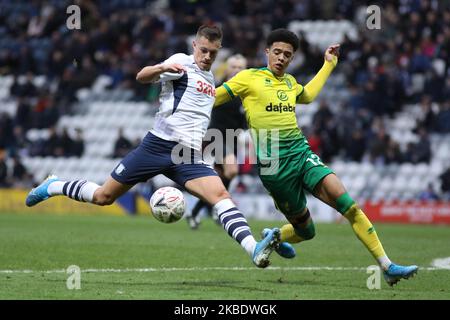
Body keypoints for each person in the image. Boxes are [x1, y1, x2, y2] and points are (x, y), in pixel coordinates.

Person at [25, 25, 284, 269]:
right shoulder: (182, 62)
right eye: (203, 50)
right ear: (195, 45)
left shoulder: (209, 79)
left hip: (187, 155)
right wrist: (160, 70)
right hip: (157, 146)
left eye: (213, 53)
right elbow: (141, 76)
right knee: (104, 196)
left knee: (221, 196)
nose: (206, 56)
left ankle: (253, 249)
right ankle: (54, 185)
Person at [214, 28, 418, 286]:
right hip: (274, 167)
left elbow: (307, 96)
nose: (281, 58)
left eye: (287, 54)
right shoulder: (248, 78)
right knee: (306, 231)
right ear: (267, 52)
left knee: (350, 207)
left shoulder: (289, 82)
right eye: (276, 52)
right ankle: (275, 236)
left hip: (301, 153)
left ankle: (387, 266)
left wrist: (328, 65)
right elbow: (215, 97)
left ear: (292, 58)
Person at [186, 54, 248, 230]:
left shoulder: (246, 94)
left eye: (240, 67)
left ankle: (195, 212)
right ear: (227, 69)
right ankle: (218, 207)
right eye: (233, 67)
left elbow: (243, 121)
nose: (236, 70)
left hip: (233, 139)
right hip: (216, 136)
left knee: (222, 178)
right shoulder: (218, 88)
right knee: (233, 170)